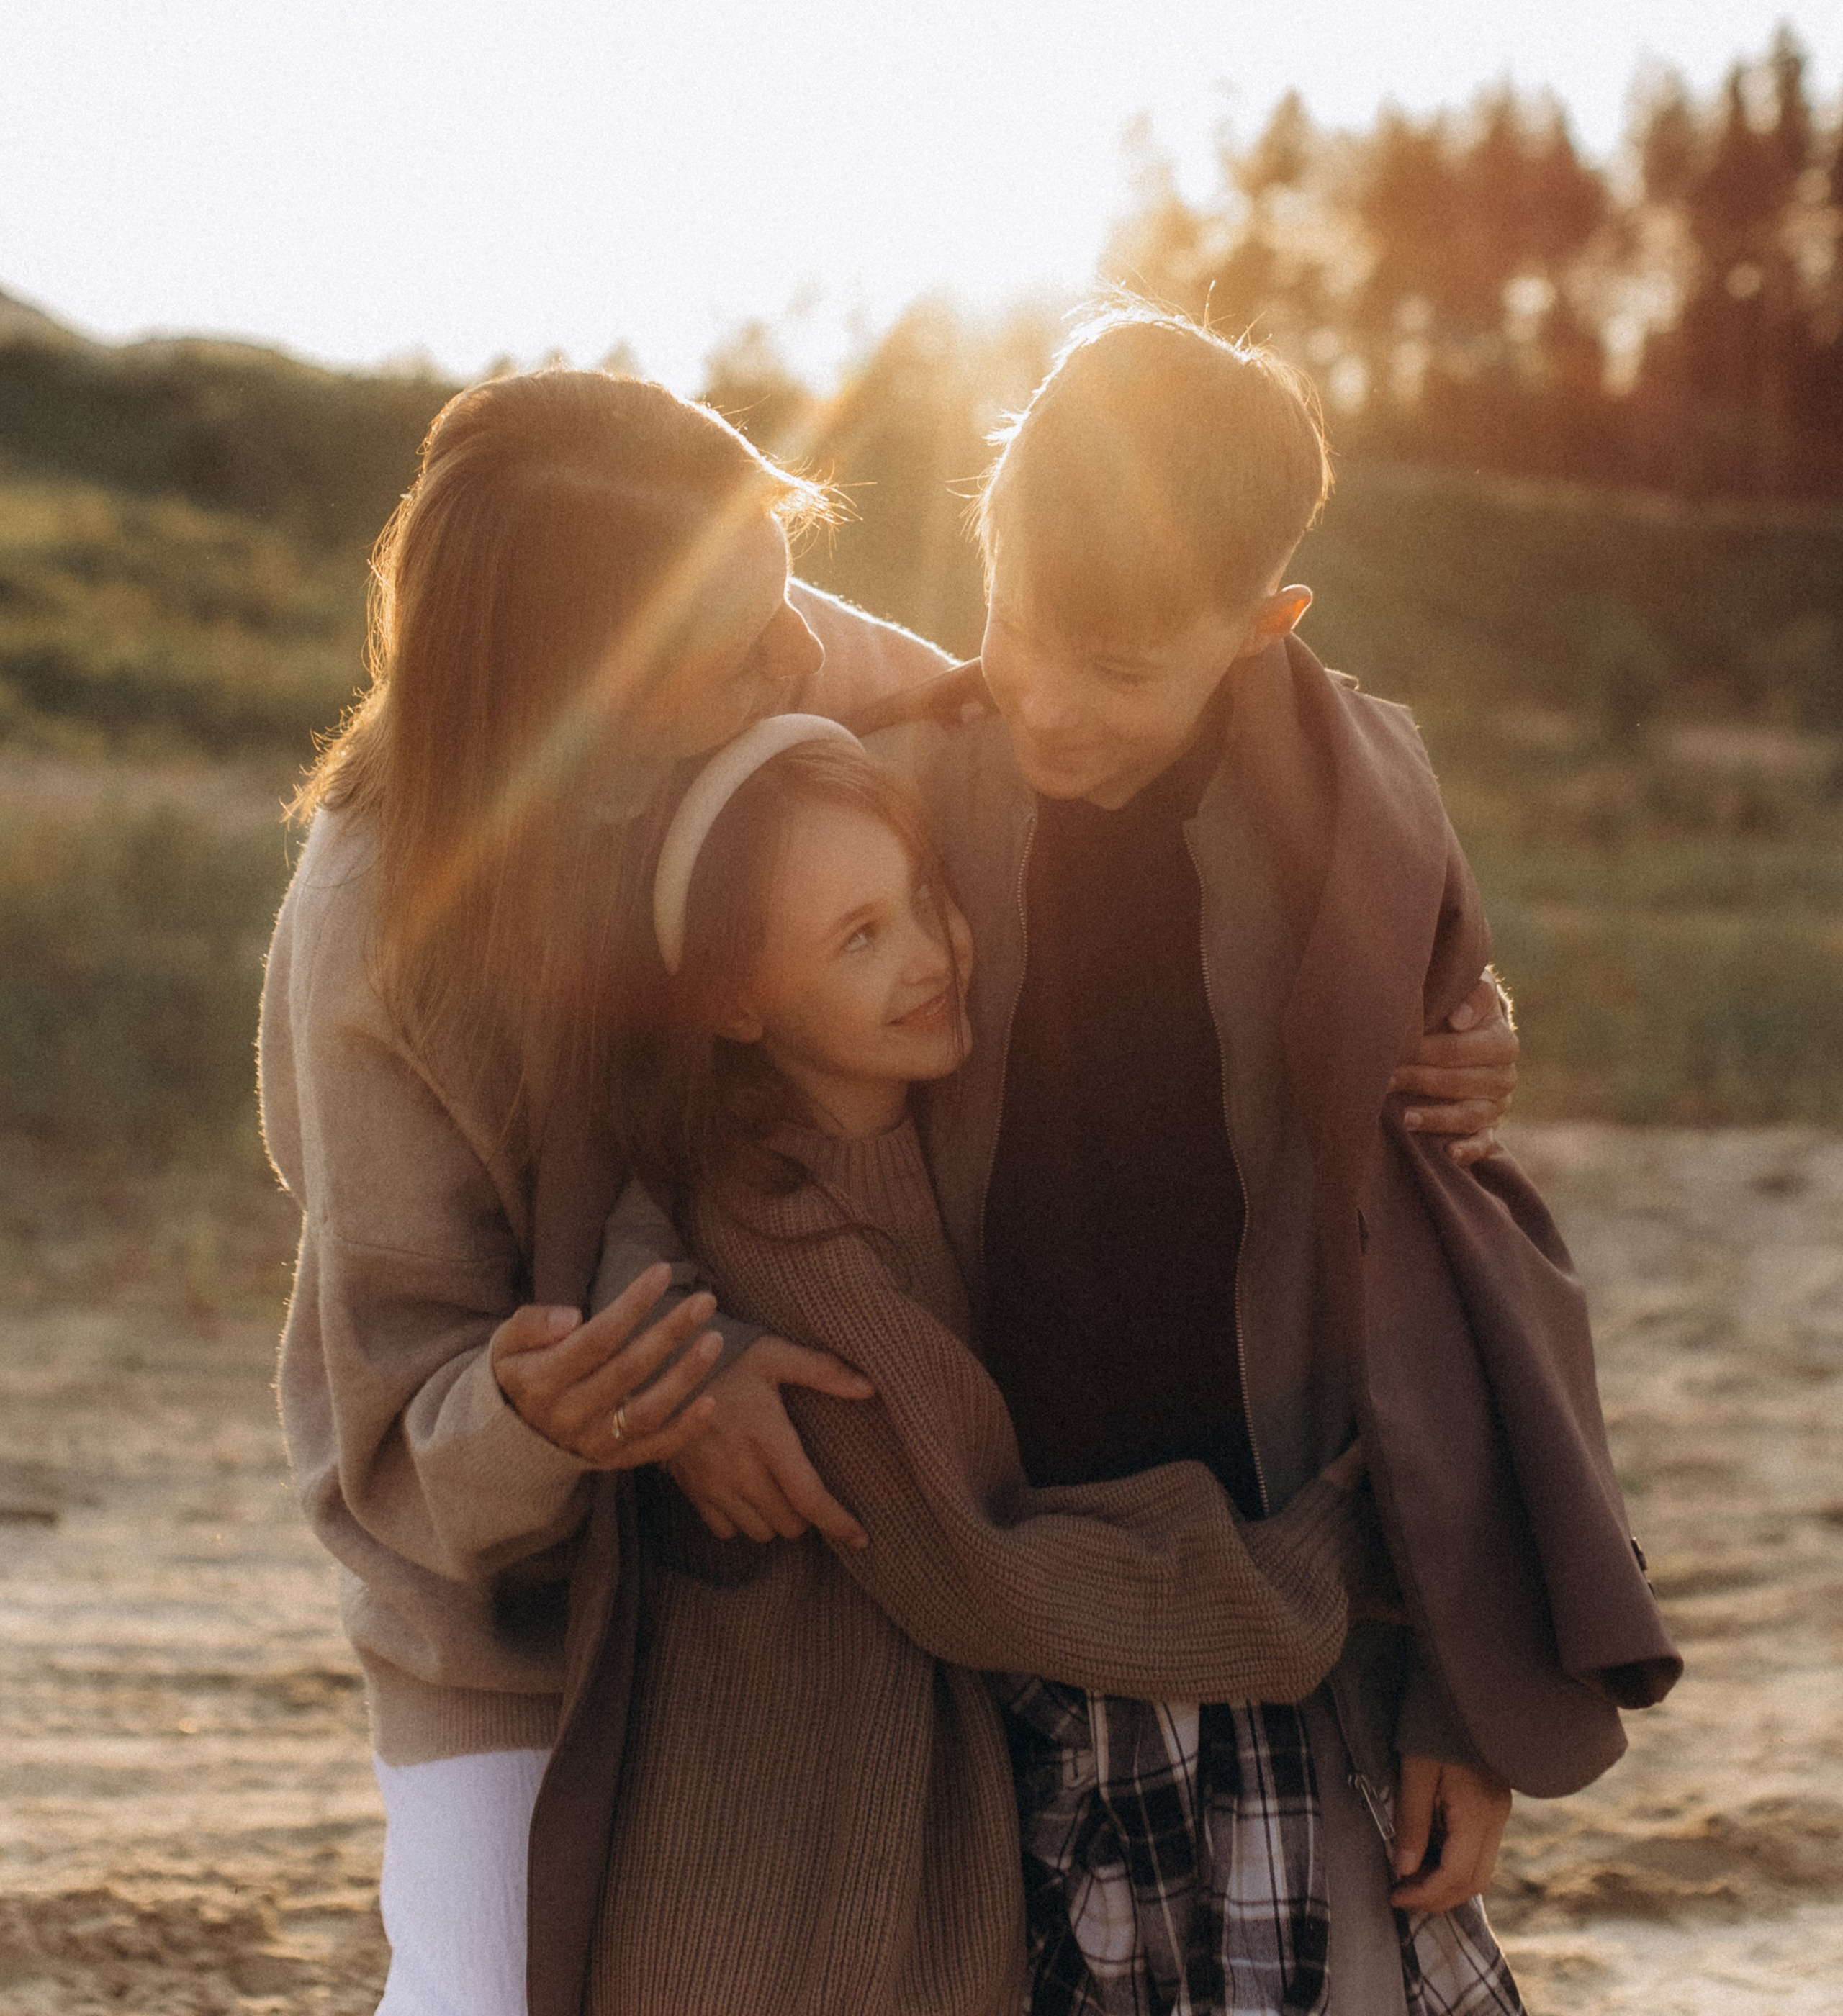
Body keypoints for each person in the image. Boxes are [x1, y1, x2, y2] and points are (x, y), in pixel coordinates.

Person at [258, 359, 1515, 2016]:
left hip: (804, 1583)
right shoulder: (375, 923)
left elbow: (1089, 715)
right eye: (742, 647)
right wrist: (633, 1388)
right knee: (488, 1982)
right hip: (522, 1629)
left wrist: (1435, 992)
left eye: (789, 595)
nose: (809, 654)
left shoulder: (780, 654)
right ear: (593, 685)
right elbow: (393, 1403)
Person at [833, 309, 1680, 2012]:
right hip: (974, 1601)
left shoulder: (1358, 822)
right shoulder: (903, 781)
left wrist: (1451, 1693)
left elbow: (1445, 1283)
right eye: (1015, 630)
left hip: (1282, 1601)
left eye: (1121, 667)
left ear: (1262, 624)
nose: (1047, 704)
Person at [565, 720, 1392, 2014]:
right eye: (857, 938)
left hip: (897, 1837)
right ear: (736, 1003)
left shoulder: (946, 1139)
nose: (929, 955)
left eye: (925, 899)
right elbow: (984, 1567)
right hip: (789, 1898)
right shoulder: (775, 1236)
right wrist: (1325, 1552)